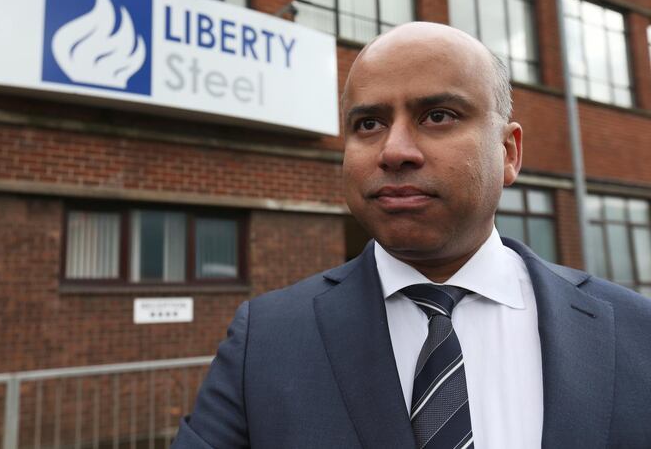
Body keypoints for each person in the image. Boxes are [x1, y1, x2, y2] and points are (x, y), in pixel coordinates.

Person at [172, 22, 651, 448]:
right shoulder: (267, 338)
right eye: (369, 124)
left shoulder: (635, 331)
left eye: (437, 116)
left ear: (508, 152)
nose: (394, 151)